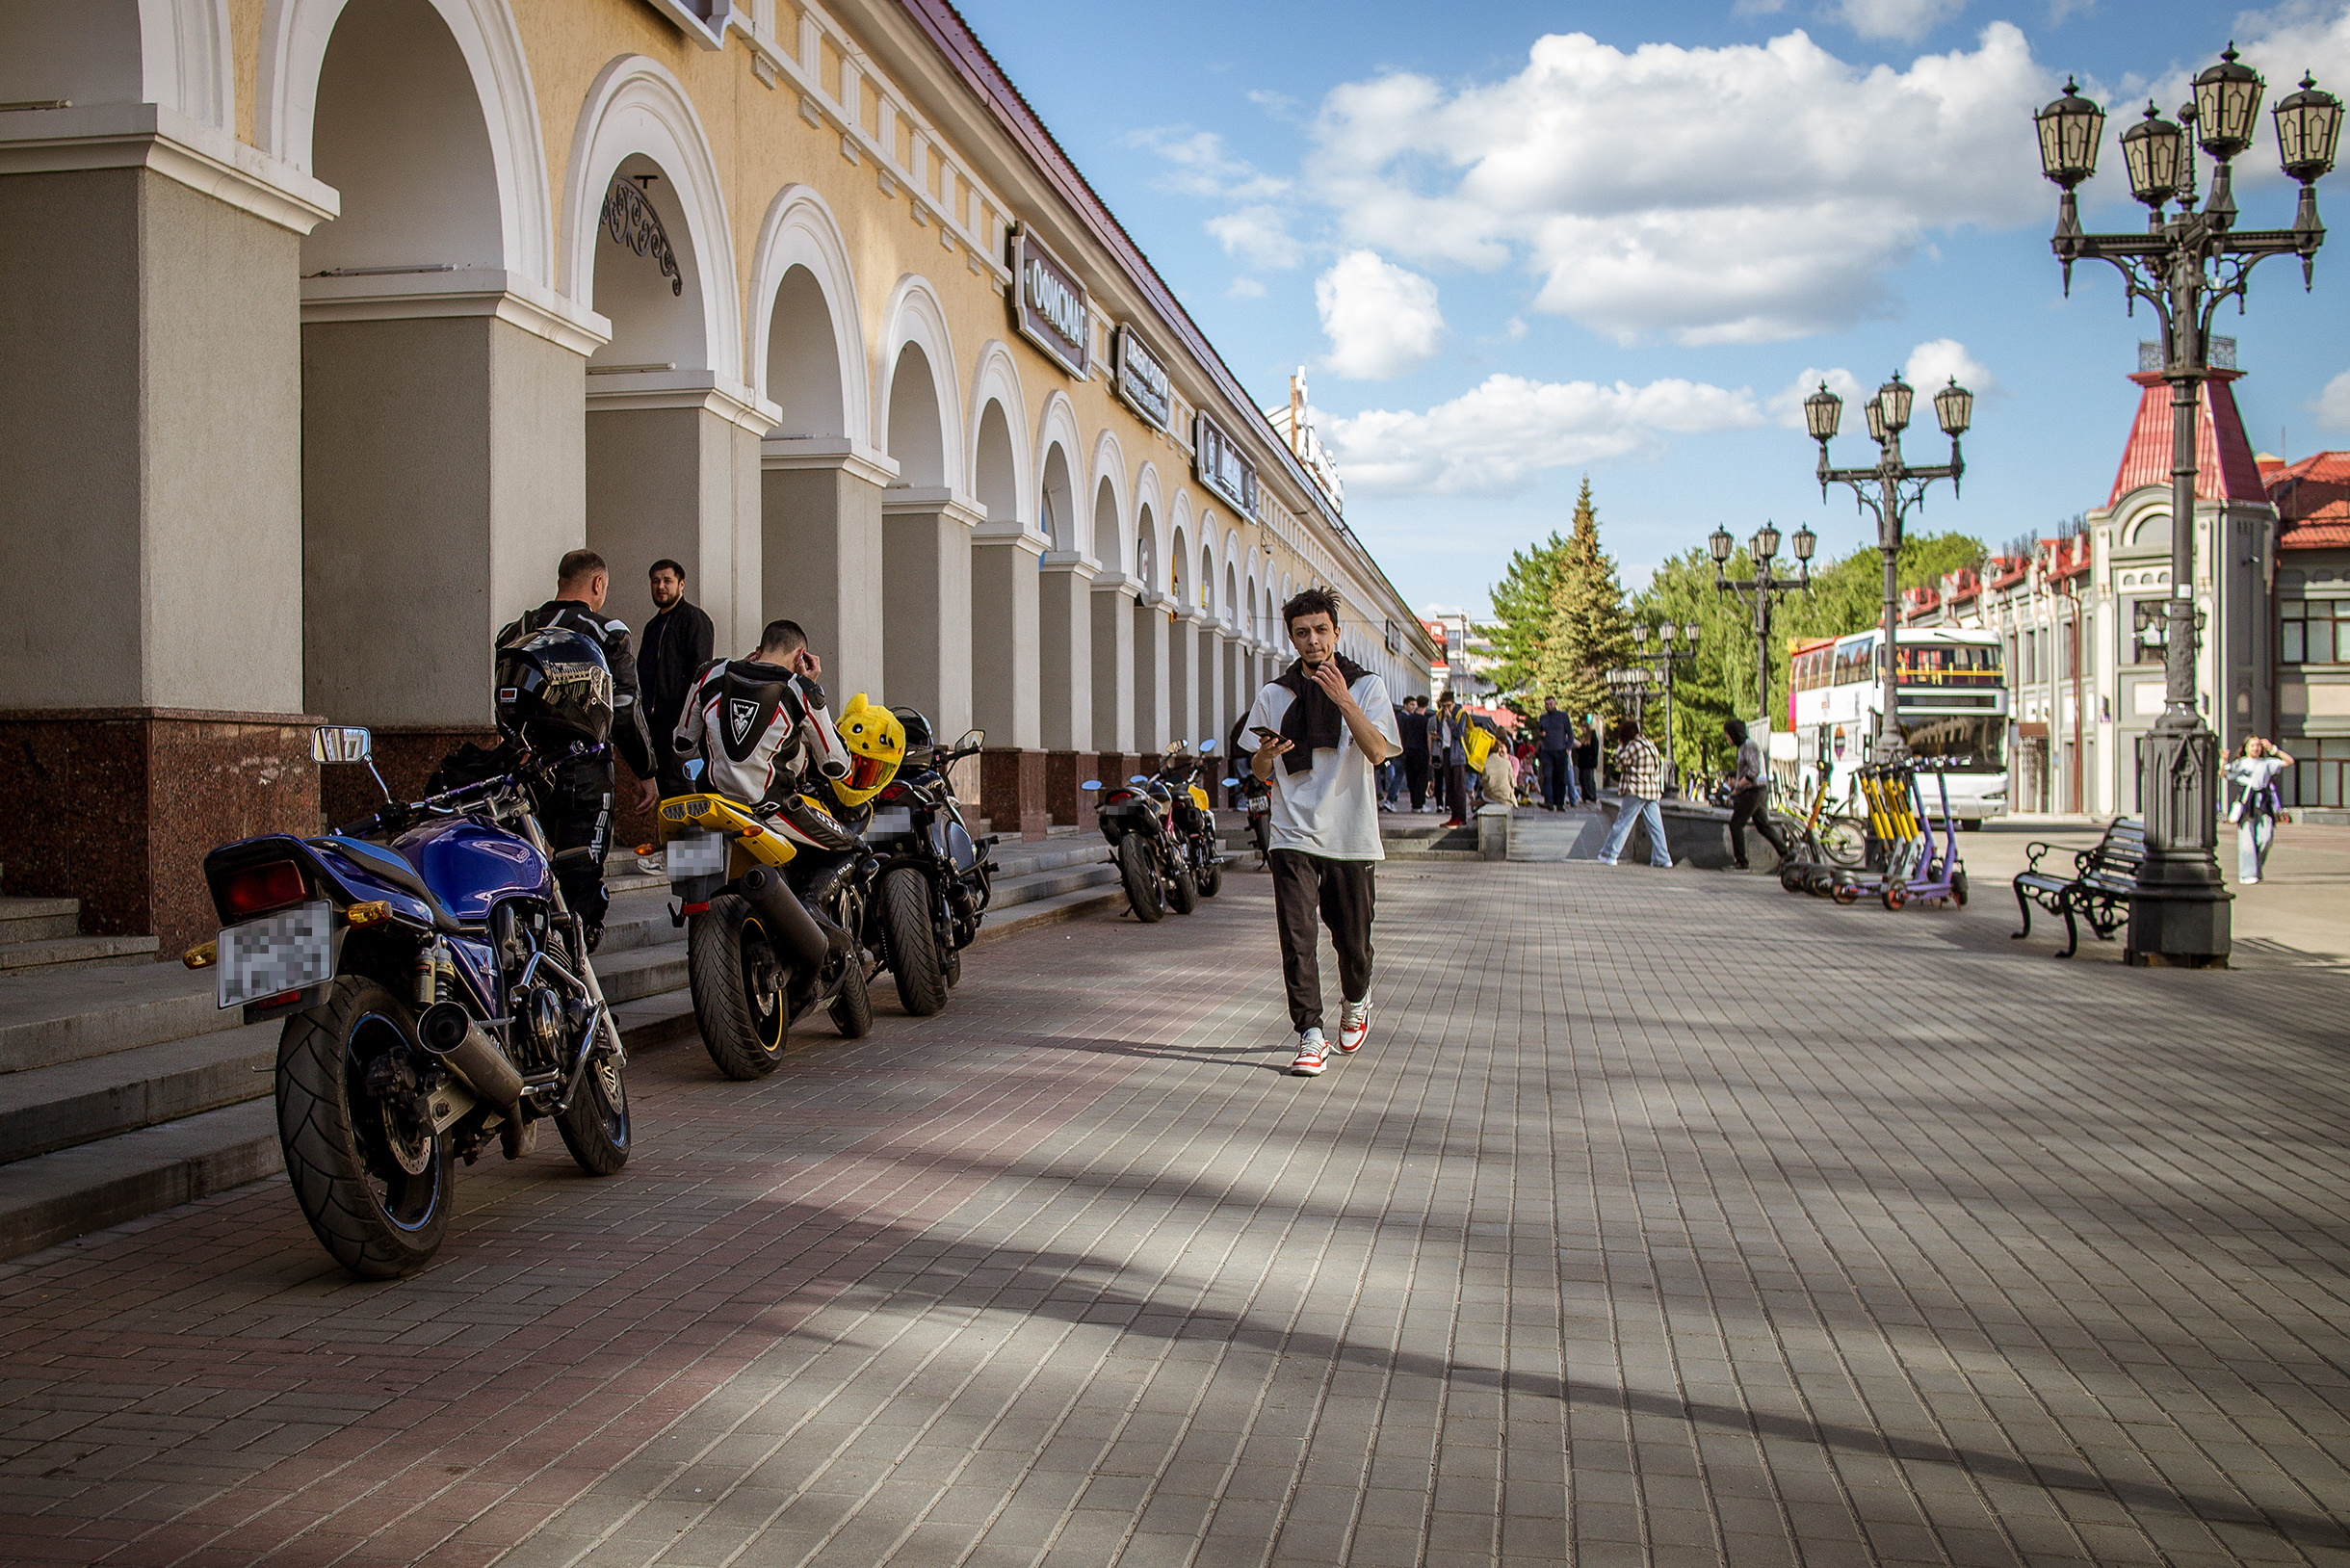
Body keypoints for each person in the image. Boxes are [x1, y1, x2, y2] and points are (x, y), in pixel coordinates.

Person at [1243, 587, 1400, 1078]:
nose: (1312, 641)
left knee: (1353, 941)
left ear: (1336, 632)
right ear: (1292, 639)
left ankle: (1356, 998)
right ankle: (1310, 1033)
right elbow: (1260, 769)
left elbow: (1377, 752)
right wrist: (1268, 754)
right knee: (1298, 937)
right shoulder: (1274, 694)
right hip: (1292, 832)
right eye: (1302, 633)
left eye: (1320, 630)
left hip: (1350, 833)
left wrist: (1342, 700)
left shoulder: (1369, 686)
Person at [493, 550, 658, 946]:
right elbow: (623, 709)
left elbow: (504, 698)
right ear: (598, 584)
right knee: (581, 884)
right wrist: (646, 770)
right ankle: (578, 993)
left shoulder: (517, 628)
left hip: (522, 771)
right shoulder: (607, 630)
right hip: (584, 774)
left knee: (527, 877)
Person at [672, 617, 859, 859]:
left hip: (711, 803)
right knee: (854, 848)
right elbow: (837, 766)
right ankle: (810, 899)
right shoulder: (799, 690)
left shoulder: (710, 674)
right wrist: (810, 685)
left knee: (689, 877)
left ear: (758, 650)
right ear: (801, 657)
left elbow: (683, 744)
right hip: (771, 810)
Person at [637, 558, 714, 798]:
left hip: (680, 725)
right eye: (655, 581)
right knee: (664, 794)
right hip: (652, 726)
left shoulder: (695, 619)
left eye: (667, 581)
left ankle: (693, 840)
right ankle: (669, 839)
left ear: (681, 584)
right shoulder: (652, 627)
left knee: (683, 792)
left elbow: (701, 673)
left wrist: (690, 722)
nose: (660, 586)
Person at [1596, 717, 1672, 868]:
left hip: (1637, 789)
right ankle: (1663, 858)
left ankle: (1610, 854)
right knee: (1656, 826)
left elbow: (1619, 761)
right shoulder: (1650, 745)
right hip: (1652, 790)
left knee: (1623, 822)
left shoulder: (1633, 746)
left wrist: (1620, 747)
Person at [1722, 718, 1791, 871]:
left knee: (1736, 823)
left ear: (1734, 733)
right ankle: (1786, 853)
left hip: (1754, 790)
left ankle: (1741, 862)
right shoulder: (1744, 747)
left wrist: (1738, 787)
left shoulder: (1750, 746)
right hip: (1756, 790)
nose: (1726, 738)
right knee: (1762, 825)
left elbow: (1753, 771)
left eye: (1728, 734)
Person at [2225, 737, 2295, 884]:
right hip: (2247, 802)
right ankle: (2247, 874)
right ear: (2245, 748)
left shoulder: (2266, 763)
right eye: (2252, 746)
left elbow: (2289, 761)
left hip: (2264, 803)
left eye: (2258, 746)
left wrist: (2273, 750)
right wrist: (2223, 762)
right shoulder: (2240, 763)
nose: (2256, 748)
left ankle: (2255, 867)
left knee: (2266, 838)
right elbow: (2224, 773)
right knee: (2247, 840)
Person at [1432, 693, 1470, 827]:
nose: (1446, 709)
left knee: (1458, 787)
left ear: (1454, 703)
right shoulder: (1440, 715)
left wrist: (1450, 719)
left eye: (1448, 706)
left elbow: (1459, 734)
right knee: (1449, 787)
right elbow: (1442, 732)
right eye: (1443, 706)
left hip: (1457, 754)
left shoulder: (1461, 714)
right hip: (1446, 751)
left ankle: (1461, 817)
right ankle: (1453, 815)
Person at [1397, 695, 1432, 812]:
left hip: (1409, 751)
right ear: (1426, 706)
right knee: (1421, 779)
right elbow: (1428, 738)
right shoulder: (1426, 721)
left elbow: (1403, 734)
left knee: (1411, 778)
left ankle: (1414, 803)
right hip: (1422, 751)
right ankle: (1419, 804)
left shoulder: (1408, 719)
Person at [1537, 696, 1572, 811]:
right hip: (1547, 751)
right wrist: (1541, 735)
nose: (1549, 706)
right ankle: (1549, 802)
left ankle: (1560, 803)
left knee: (1560, 778)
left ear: (1555, 703)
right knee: (1547, 776)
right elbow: (1540, 732)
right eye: (1546, 704)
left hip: (1560, 750)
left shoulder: (1563, 716)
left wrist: (1567, 749)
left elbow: (1570, 734)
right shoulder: (1543, 718)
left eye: (1551, 704)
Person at [1573, 719, 1601, 809]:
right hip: (1583, 762)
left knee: (1588, 779)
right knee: (1582, 779)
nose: (1583, 731)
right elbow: (1581, 752)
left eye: (1584, 729)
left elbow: (1593, 750)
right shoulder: (1584, 738)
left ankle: (1591, 796)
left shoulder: (1592, 737)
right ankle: (1585, 796)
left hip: (1589, 763)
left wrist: (1582, 747)